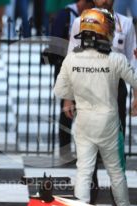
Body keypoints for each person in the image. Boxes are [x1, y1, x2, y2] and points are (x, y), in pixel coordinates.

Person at [54, 8, 137, 206]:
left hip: (83, 121)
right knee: (116, 173)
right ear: (105, 31)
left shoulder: (71, 59)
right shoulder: (115, 59)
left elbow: (61, 90)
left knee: (84, 171)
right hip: (108, 122)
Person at [67, 0, 137, 205]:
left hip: (115, 89)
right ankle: (87, 201)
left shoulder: (125, 24)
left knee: (116, 148)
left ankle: (118, 205)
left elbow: (133, 61)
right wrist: (68, 98)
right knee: (86, 152)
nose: (105, 0)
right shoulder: (80, 22)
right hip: (87, 87)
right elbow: (71, 56)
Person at [49, 0, 94, 160]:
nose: (88, 6)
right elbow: (54, 42)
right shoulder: (66, 14)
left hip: (89, 69)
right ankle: (65, 150)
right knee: (67, 110)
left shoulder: (94, 16)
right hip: (66, 67)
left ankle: (89, 150)